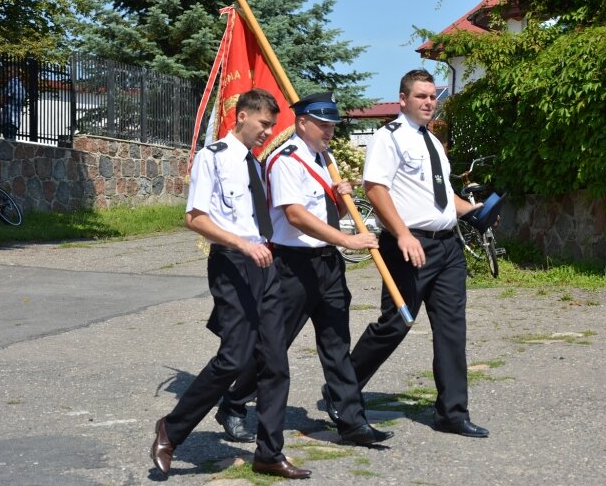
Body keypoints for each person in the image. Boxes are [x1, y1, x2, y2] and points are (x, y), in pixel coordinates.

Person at [215, 92, 394, 446]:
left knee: (336, 342)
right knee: (273, 346)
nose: (330, 131)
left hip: (327, 263)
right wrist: (348, 241)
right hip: (292, 266)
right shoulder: (287, 160)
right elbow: (295, 216)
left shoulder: (323, 159)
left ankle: (351, 421)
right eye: (323, 125)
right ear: (303, 123)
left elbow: (323, 216)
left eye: (332, 125)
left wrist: (339, 201)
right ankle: (234, 404)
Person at [150, 88, 311, 480]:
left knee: (275, 363)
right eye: (264, 123)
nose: (268, 131)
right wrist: (241, 244)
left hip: (265, 263)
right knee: (235, 358)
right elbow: (195, 218)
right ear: (241, 116)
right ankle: (171, 430)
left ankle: (270, 453)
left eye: (272, 125)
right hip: (233, 262)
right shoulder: (214, 158)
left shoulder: (256, 166)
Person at [348, 69, 490, 438]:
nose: (429, 102)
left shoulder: (434, 143)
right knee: (397, 322)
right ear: (403, 99)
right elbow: (375, 189)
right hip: (408, 246)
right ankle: (342, 390)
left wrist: (473, 210)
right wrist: (402, 233)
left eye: (432, 96)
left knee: (451, 329)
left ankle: (452, 413)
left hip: (446, 247)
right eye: (421, 96)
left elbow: (441, 198)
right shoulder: (388, 138)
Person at [0, 64, 26, 141]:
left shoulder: (11, 83)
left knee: (7, 143)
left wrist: (0, 101)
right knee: (11, 141)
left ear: (16, 73)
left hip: (8, 119)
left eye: (9, 72)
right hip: (16, 120)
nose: (7, 74)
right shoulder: (22, 86)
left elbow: (2, 100)